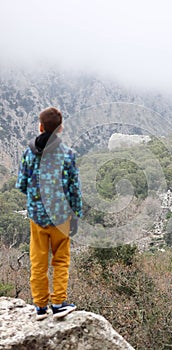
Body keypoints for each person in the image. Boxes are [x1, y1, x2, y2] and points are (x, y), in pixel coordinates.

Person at [16, 107, 82, 320]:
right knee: (61, 261)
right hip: (62, 218)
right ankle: (59, 303)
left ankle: (41, 306)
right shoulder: (68, 155)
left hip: (37, 218)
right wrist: (76, 214)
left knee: (38, 262)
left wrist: (35, 198)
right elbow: (74, 190)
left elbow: (21, 184)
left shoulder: (29, 153)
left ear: (40, 127)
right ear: (61, 128)